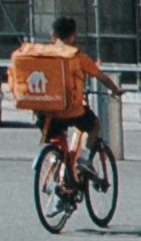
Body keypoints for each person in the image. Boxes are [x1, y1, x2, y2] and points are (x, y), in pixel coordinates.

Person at [6, 16, 104, 185]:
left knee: (58, 141)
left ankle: (56, 170)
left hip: (44, 112)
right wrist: (116, 90)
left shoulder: (39, 55)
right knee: (94, 124)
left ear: (52, 35)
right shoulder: (76, 56)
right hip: (71, 111)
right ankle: (84, 159)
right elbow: (100, 76)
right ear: (73, 36)